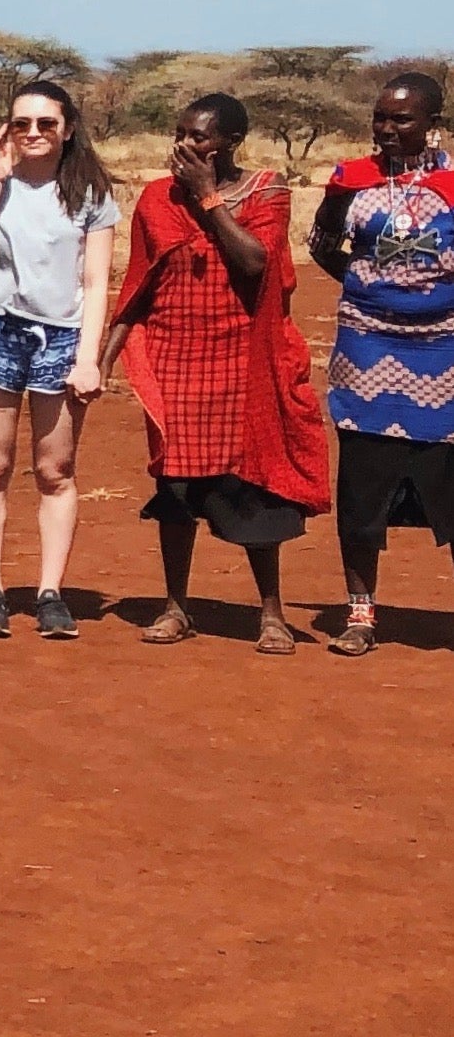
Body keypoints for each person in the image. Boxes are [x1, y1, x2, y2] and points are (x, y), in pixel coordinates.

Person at [103, 92, 328, 654]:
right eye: (181, 134)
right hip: (175, 362)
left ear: (231, 142)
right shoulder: (156, 199)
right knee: (176, 489)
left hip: (243, 364)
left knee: (251, 484)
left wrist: (208, 198)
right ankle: (176, 605)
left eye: (199, 137)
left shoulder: (267, 190)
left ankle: (271, 614)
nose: (185, 145)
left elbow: (256, 262)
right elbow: (138, 284)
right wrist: (102, 360)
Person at [0, 80, 118, 641]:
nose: (33, 134)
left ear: (68, 128)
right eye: (22, 123)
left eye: (46, 124)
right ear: (7, 129)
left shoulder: (91, 194)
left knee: (55, 471)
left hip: (64, 339)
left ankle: (50, 592)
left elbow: (96, 283)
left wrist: (88, 359)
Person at [309, 71, 453, 657]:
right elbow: (321, 242)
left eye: (402, 120)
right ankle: (361, 613)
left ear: (431, 124)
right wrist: (367, 289)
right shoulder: (351, 183)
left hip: (445, 352)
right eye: (380, 118)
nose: (387, 130)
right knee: (363, 488)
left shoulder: (452, 184)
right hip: (367, 352)